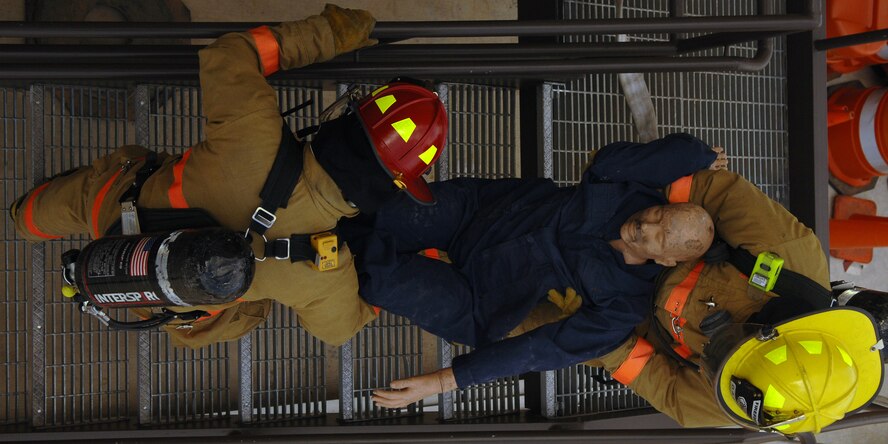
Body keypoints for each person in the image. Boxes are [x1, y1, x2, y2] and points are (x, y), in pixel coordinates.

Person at [9, 4, 448, 349]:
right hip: (164, 304)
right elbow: (339, 331)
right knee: (250, 308)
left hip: (111, 206)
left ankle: (24, 219)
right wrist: (414, 270)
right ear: (392, 188)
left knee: (91, 192)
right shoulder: (324, 274)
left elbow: (226, 55)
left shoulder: (254, 135)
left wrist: (328, 34)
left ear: (345, 120)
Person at [425, 161, 885, 436]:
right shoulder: (790, 256)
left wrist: (598, 328)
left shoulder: (749, 400)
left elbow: (662, 384)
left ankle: (421, 269)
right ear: (778, 326)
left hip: (619, 324)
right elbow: (709, 190)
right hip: (644, 244)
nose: (720, 348)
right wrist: (639, 196)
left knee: (488, 318)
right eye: (737, 345)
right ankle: (434, 225)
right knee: (514, 229)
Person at [338, 133, 723, 407]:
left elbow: (544, 349)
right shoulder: (626, 186)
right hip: (480, 212)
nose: (644, 225)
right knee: (375, 211)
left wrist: (440, 382)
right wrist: (699, 155)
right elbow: (611, 158)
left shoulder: (625, 305)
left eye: (659, 236)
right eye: (657, 214)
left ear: (667, 260)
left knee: (378, 280)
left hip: (480, 300)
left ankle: (314, 250)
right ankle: (314, 223)